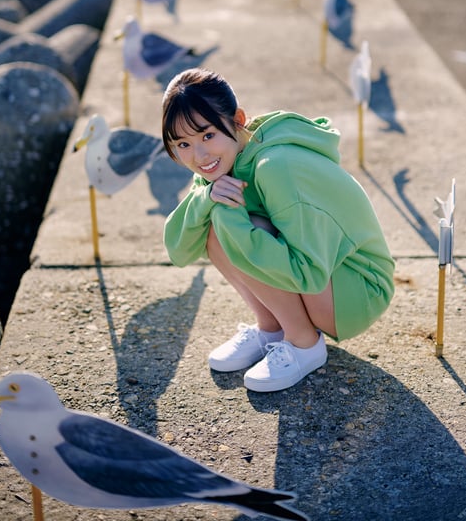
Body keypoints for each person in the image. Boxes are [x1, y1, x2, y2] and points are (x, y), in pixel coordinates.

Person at [162, 68, 395, 392]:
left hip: (357, 288)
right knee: (216, 219)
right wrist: (205, 198)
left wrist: (229, 216)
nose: (199, 155)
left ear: (238, 120)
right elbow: (180, 250)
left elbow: (308, 274)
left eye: (208, 135)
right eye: (183, 144)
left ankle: (303, 344)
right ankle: (271, 328)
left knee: (230, 221)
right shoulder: (221, 162)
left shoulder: (277, 166)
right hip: (323, 280)